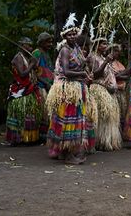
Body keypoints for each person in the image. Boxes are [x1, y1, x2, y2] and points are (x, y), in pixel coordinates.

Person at [46, 15, 92, 164]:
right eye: (69, 34)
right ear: (65, 36)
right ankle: (67, 154)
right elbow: (66, 71)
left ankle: (67, 151)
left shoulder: (77, 48)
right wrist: (82, 74)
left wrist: (85, 64)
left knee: (75, 121)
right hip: (67, 89)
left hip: (77, 87)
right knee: (68, 121)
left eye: (74, 34)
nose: (72, 36)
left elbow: (81, 65)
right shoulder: (65, 50)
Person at [6, 37, 43, 146]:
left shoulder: (26, 57)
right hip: (20, 91)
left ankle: (28, 138)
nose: (31, 48)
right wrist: (31, 64)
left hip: (29, 89)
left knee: (29, 114)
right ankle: (19, 139)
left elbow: (33, 72)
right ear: (22, 46)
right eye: (29, 46)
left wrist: (33, 65)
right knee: (21, 115)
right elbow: (22, 74)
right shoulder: (18, 58)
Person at [87, 37, 122, 151]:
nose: (106, 46)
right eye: (103, 44)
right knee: (102, 117)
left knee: (110, 118)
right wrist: (106, 61)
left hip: (108, 91)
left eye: (106, 43)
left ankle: (107, 141)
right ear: (96, 45)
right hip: (98, 89)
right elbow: (95, 75)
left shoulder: (103, 57)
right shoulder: (92, 57)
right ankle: (99, 142)